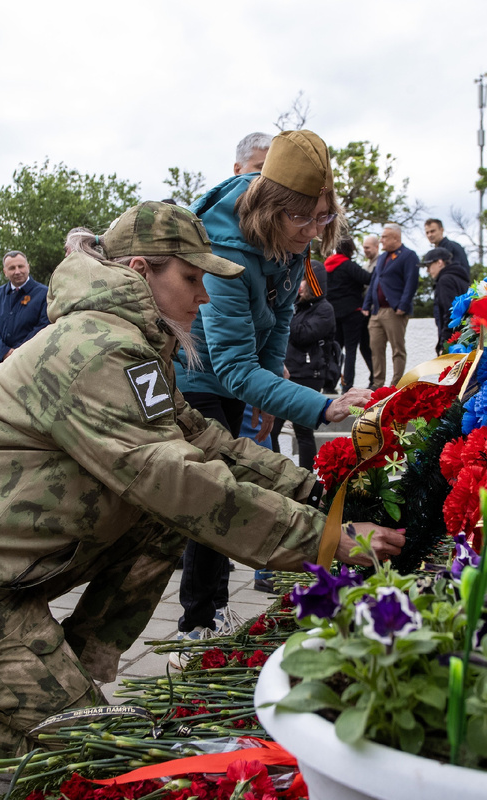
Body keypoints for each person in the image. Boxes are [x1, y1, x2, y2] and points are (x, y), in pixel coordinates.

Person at [0, 201, 405, 777]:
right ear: (139, 269)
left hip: (4, 567)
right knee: (94, 759)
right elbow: (174, 477)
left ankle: (57, 673)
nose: (204, 297)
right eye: (191, 278)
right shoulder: (98, 348)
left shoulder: (131, 340)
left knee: (159, 523)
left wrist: (317, 491)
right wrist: (325, 539)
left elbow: (202, 440)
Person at [173, 129, 374, 661]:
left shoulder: (292, 243)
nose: (311, 231)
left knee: (235, 479)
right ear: (268, 209)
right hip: (196, 376)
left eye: (322, 218)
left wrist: (269, 394)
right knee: (213, 492)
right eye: (300, 218)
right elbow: (232, 366)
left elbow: (278, 323)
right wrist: (323, 405)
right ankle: (197, 621)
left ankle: (215, 607)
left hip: (237, 376)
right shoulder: (225, 250)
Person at [279, 269, 336, 469]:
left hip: (309, 375)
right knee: (272, 429)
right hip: (288, 373)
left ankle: (306, 478)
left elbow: (302, 335)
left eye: (303, 279)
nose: (299, 284)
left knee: (303, 432)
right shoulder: (298, 306)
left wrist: (286, 312)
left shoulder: (324, 309)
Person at [362, 224, 420, 387]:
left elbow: (411, 282)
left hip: (394, 311)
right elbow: (375, 281)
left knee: (397, 349)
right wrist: (367, 304)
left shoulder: (408, 256)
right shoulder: (382, 258)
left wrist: (403, 305)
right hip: (376, 311)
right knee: (375, 348)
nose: (381, 240)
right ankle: (377, 383)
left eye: (384, 237)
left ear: (396, 238)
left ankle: (395, 385)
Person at [0, 250, 48, 370]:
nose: (17, 271)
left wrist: (17, 352)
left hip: (30, 364)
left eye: (20, 266)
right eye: (12, 268)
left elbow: (42, 327)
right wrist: (4, 351)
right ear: (5, 272)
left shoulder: (44, 294)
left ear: (28, 267)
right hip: (0, 364)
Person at [325, 238, 373, 392]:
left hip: (333, 313)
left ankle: (329, 385)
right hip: (351, 313)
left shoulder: (327, 266)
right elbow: (368, 278)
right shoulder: (348, 265)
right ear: (350, 249)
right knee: (351, 349)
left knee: (336, 350)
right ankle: (347, 386)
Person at [424, 246, 472, 353]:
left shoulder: (445, 280)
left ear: (439, 262)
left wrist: (444, 344)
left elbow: (450, 313)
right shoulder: (459, 278)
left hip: (454, 342)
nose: (427, 270)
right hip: (465, 338)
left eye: (429, 265)